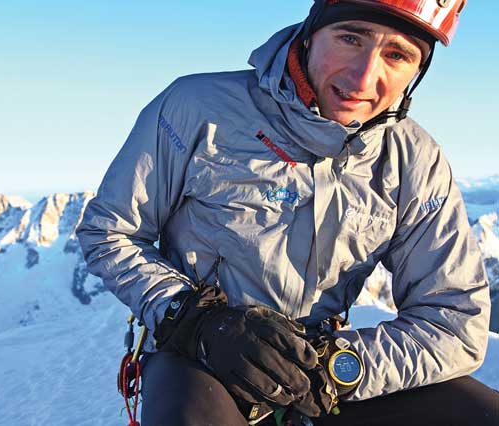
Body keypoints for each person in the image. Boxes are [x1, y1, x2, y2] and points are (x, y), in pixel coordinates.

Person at [78, 0, 498, 424]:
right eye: (351, 38)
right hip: (198, 352)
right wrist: (197, 319)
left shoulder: (413, 160)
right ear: (310, 33)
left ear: (418, 71)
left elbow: (454, 317)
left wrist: (339, 371)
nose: (364, 76)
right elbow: (109, 232)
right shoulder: (197, 108)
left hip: (320, 366)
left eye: (397, 55)